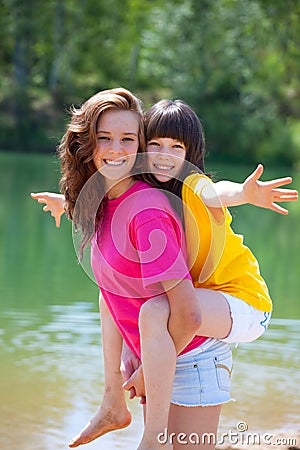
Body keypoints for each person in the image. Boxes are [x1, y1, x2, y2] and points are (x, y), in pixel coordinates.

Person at [31, 92, 298, 449]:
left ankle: (151, 438)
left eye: (176, 148)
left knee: (155, 310)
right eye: (155, 144)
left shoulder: (191, 187)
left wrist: (247, 193)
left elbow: (219, 191)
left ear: (191, 155)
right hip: (194, 321)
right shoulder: (145, 190)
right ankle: (113, 401)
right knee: (112, 292)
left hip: (242, 302)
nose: (163, 154)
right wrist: (67, 202)